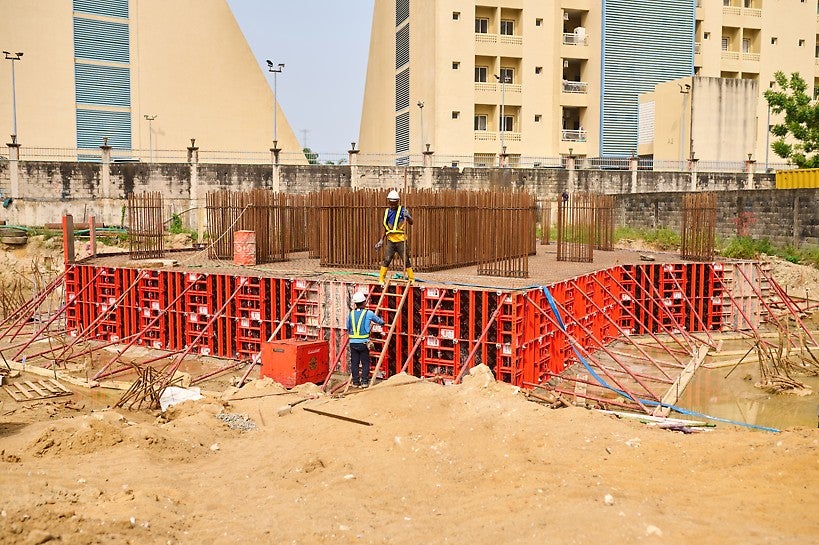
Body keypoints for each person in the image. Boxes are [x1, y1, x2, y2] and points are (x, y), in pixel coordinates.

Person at [374, 189, 415, 284]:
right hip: (391, 241)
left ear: (398, 201)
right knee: (387, 259)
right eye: (391, 203)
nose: (392, 205)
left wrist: (408, 216)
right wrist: (381, 240)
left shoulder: (403, 210)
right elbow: (385, 227)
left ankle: (411, 279)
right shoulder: (387, 212)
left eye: (394, 203)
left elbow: (411, 223)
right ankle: (381, 279)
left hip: (401, 241)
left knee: (406, 260)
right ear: (388, 201)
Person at [346, 291, 385, 387]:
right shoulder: (369, 313)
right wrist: (383, 323)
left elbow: (348, 327)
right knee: (365, 362)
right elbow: (380, 321)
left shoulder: (350, 314)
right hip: (363, 342)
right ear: (364, 302)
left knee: (354, 362)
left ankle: (355, 382)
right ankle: (364, 382)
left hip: (353, 343)